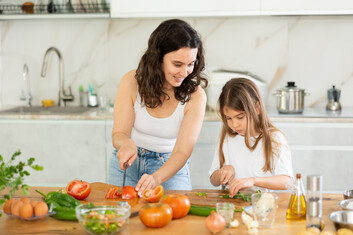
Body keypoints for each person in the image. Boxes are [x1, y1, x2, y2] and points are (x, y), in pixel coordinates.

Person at [108, 19, 207, 195]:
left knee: (176, 220)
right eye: (177, 64)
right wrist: (126, 143)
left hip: (169, 168)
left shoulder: (196, 96)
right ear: (157, 58)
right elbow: (119, 134)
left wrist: (157, 177)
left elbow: (182, 152)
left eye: (190, 64)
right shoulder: (131, 81)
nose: (185, 73)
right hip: (129, 163)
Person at [209, 78, 293, 197]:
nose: (234, 124)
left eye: (240, 117)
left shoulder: (274, 138)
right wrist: (222, 172)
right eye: (229, 118)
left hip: (262, 207)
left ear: (257, 108)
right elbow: (213, 180)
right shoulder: (227, 138)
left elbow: (285, 182)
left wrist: (253, 180)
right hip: (233, 205)